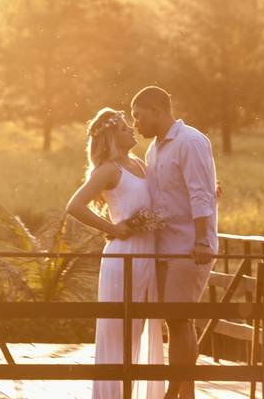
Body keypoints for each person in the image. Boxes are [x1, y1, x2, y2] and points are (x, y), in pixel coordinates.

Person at [67, 107, 165, 399]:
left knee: (141, 326)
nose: (131, 130)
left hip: (147, 253)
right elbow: (74, 206)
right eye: (124, 128)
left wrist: (208, 191)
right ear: (112, 137)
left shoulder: (140, 164)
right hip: (123, 255)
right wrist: (114, 226)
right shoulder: (110, 170)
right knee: (118, 330)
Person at [131, 86, 217, 399]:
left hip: (189, 247)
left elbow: (200, 192)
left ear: (156, 110)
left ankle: (174, 393)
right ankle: (186, 394)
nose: (136, 124)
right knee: (176, 320)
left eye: (138, 116)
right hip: (163, 247)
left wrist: (202, 241)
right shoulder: (153, 150)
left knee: (179, 319)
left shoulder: (190, 141)